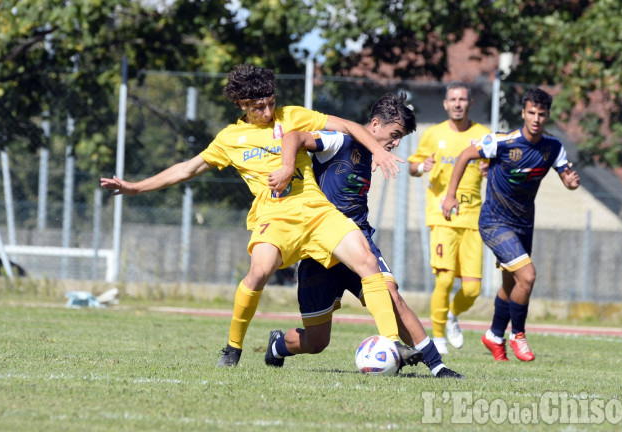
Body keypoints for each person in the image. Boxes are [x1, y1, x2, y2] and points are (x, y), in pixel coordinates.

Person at [100, 64, 422, 367]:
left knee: (366, 261)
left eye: (271, 103)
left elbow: (350, 126)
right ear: (242, 104)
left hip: (316, 210)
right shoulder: (229, 139)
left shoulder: (292, 115)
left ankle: (390, 344)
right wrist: (136, 188)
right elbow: (187, 168)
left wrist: (378, 150)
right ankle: (233, 347)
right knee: (259, 272)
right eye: (258, 107)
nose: (267, 112)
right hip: (275, 215)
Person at [266, 93, 462, 378]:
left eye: (400, 138)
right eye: (394, 134)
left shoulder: (371, 154)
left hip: (359, 240)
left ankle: (437, 366)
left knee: (392, 295)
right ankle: (277, 347)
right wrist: (285, 167)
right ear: (374, 124)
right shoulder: (340, 141)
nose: (396, 143)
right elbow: (294, 136)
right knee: (317, 341)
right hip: (321, 246)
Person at [442, 88, 580, 361]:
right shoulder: (503, 142)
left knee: (512, 284)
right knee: (528, 276)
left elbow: (567, 177)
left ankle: (494, 335)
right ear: (523, 113)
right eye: (531, 113)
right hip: (494, 221)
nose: (536, 119)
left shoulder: (554, 147)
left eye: (541, 114)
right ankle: (518, 334)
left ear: (548, 116)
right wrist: (450, 196)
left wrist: (571, 183)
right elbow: (465, 155)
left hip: (524, 224)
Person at [407, 82, 490, 354]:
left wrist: (492, 169)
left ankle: (452, 314)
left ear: (470, 103)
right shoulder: (433, 134)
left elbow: (494, 164)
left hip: (473, 218)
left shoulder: (483, 135)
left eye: (462, 99)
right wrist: (421, 166)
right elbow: (412, 166)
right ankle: (438, 335)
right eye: (452, 99)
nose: (457, 103)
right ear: (445, 104)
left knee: (473, 289)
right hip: (442, 216)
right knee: (444, 279)